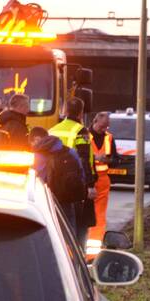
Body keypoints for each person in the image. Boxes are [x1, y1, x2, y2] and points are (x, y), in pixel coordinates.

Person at [49, 97, 97, 246]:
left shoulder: (52, 129)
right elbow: (83, 158)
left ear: (65, 111)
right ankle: (76, 258)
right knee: (78, 226)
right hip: (75, 184)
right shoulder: (81, 131)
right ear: (81, 113)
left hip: (54, 183)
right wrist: (89, 185)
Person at [30, 126, 87, 237]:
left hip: (42, 202)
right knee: (68, 234)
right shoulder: (70, 151)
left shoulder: (34, 156)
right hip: (66, 200)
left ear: (36, 139)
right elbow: (82, 175)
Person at [86, 111, 116, 257]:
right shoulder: (84, 136)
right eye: (102, 126)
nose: (104, 129)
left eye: (107, 127)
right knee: (83, 215)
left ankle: (92, 253)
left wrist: (107, 160)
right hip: (86, 180)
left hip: (103, 180)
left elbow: (115, 159)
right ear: (95, 121)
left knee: (99, 216)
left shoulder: (109, 138)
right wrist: (96, 157)